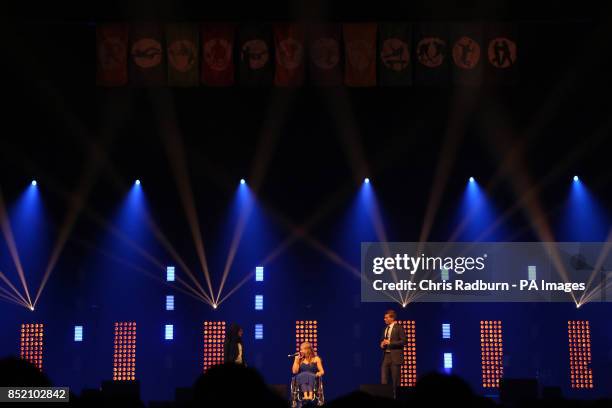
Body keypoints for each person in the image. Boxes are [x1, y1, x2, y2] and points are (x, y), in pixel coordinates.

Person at [380, 309, 406, 395]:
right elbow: (383, 340)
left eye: (386, 317)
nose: (384, 319)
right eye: (384, 317)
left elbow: (404, 341)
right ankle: (384, 396)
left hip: (395, 356)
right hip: (386, 356)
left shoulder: (399, 327)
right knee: (384, 379)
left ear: (392, 318)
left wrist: (391, 343)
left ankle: (396, 398)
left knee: (395, 381)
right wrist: (382, 344)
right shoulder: (385, 328)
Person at [292, 341, 324, 406]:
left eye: (302, 349)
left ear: (308, 350)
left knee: (307, 374)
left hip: (313, 378)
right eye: (300, 349)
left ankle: (310, 395)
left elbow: (322, 371)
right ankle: (306, 396)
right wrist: (296, 361)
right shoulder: (300, 360)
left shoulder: (316, 359)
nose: (300, 351)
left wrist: (319, 373)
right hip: (301, 379)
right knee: (303, 375)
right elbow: (294, 372)